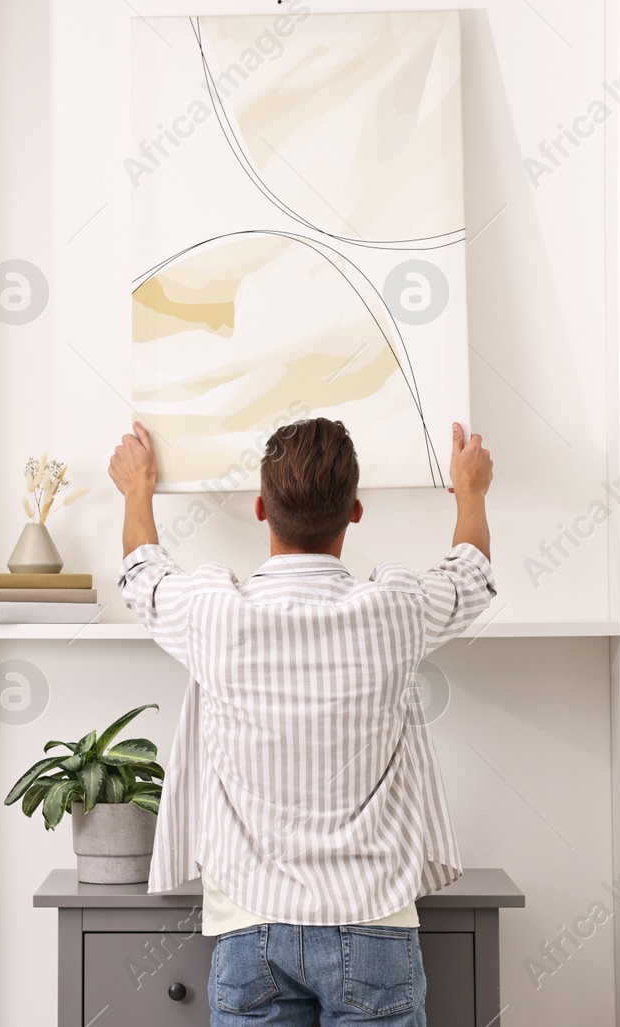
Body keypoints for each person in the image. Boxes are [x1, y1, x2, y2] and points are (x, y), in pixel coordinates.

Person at [109, 416, 496, 1026]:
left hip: (250, 928)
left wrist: (137, 491)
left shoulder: (213, 613)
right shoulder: (393, 610)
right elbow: (471, 577)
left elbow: (141, 577)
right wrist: (470, 492)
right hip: (373, 921)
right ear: (356, 512)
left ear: (262, 508)